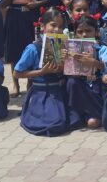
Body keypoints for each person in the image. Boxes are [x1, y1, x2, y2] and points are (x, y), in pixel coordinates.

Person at [16, 8, 83, 136]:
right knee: (55, 124)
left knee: (75, 120)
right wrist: (41, 72)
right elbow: (17, 73)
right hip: (42, 92)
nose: (57, 30)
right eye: (53, 25)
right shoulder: (33, 48)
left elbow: (68, 71)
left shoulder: (64, 45)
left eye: (60, 27)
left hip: (60, 91)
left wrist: (67, 62)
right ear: (42, 26)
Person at [3, 0, 49, 95]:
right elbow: (1, 4)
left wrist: (35, 4)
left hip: (30, 18)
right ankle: (15, 84)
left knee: (30, 48)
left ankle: (30, 83)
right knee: (13, 51)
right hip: (13, 17)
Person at [65, 15, 107, 130]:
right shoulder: (71, 49)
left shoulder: (102, 49)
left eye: (88, 31)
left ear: (96, 32)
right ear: (75, 33)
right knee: (72, 82)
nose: (84, 34)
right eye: (80, 32)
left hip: (96, 89)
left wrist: (93, 62)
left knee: (92, 123)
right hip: (80, 88)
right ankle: (79, 115)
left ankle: (100, 114)